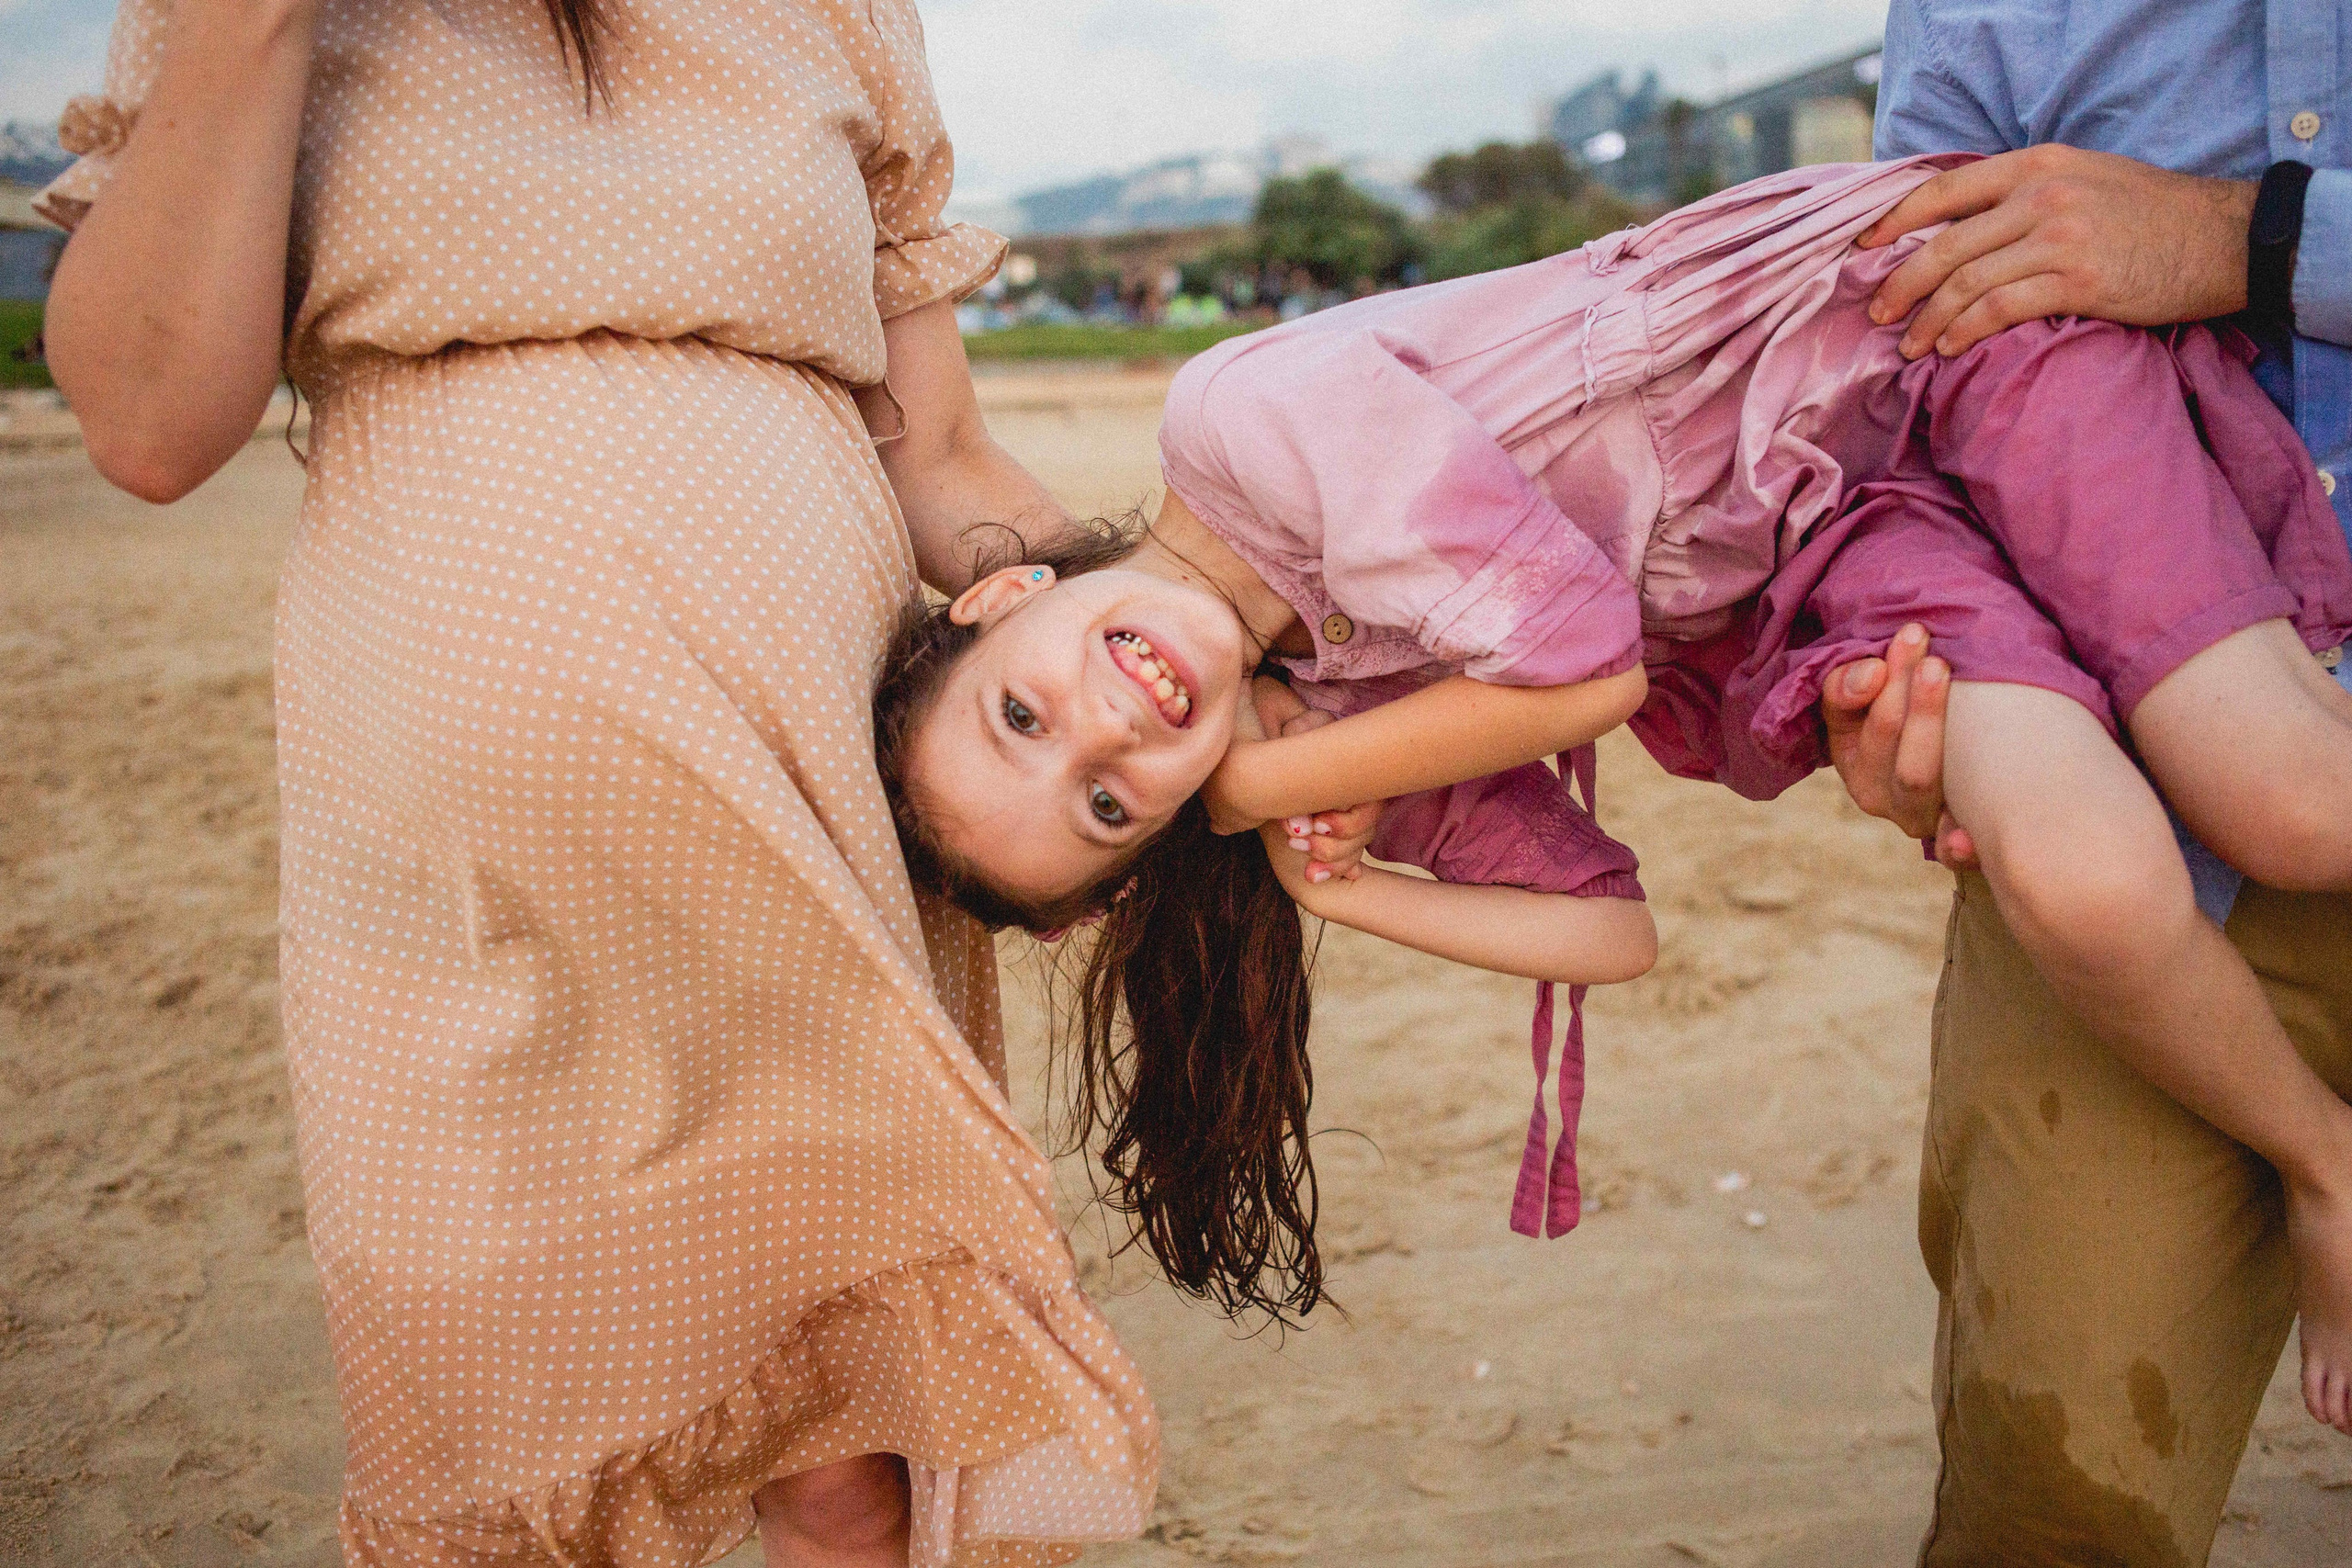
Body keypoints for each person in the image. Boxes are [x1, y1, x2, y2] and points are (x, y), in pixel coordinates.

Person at [860, 159, 2352, 1384]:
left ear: (997, 598)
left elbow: (1588, 667)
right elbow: (1608, 934)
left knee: (2288, 806)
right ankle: (2331, 1164)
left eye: (1020, 717)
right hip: (1854, 535)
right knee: (2086, 883)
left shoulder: (1242, 426)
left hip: (1919, 334)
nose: (1106, 732)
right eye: (1107, 807)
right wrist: (1345, 889)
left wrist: (1255, 792)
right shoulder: (1346, 707)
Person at [37, 0, 1156, 1562]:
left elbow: (943, 461)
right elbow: (151, 430)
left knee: (851, 1446)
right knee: (518, 1408)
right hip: (458, 856)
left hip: (808, 806)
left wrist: (1209, 649)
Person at [1808, 4, 2352, 1561]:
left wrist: (2250, 242)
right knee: (2055, 1505)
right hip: (2159, 857)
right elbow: (1919, 394)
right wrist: (1945, 688)